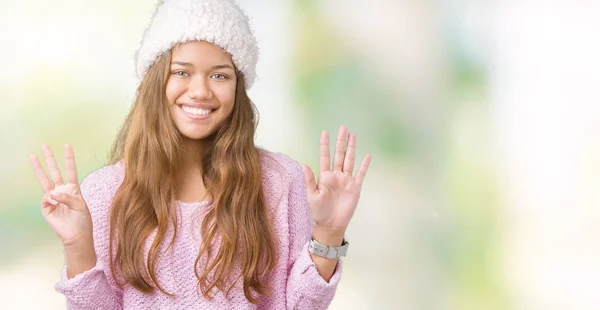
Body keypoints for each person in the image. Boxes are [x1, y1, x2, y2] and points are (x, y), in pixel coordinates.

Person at [29, 0, 371, 308]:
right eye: (182, 72)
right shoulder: (104, 193)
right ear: (155, 80)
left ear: (239, 87)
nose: (200, 91)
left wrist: (328, 230)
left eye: (219, 75)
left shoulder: (281, 181)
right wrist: (78, 247)